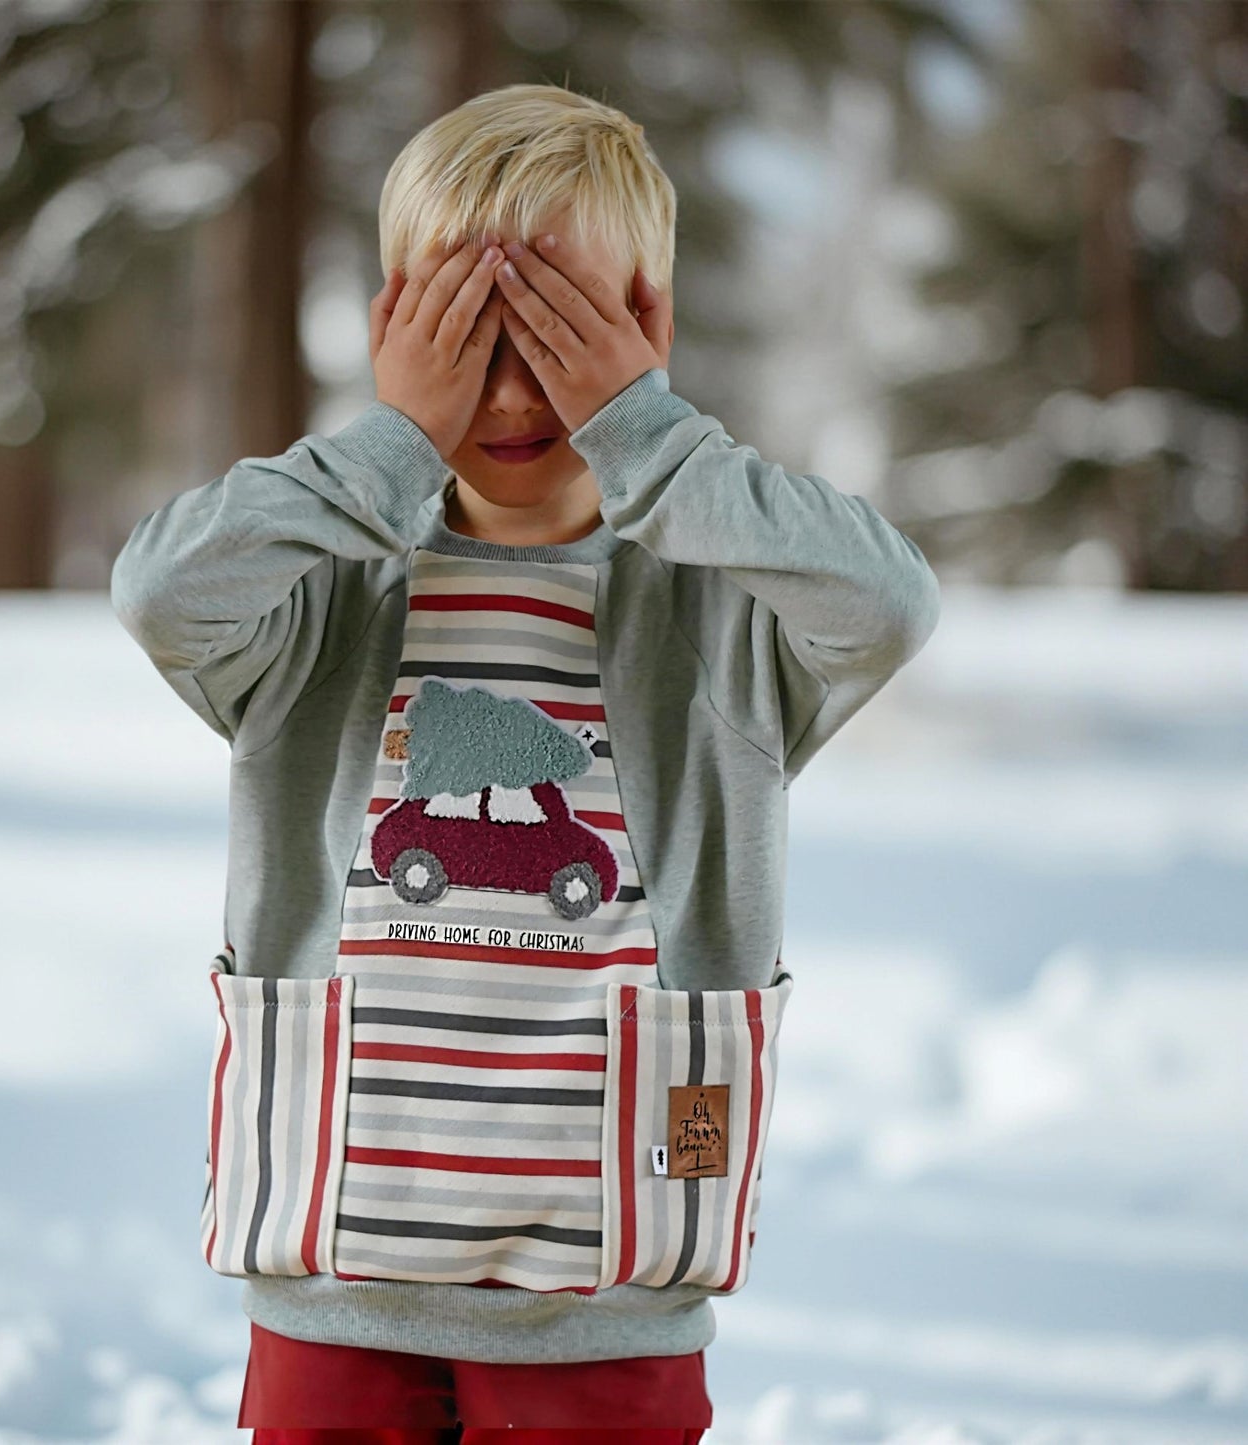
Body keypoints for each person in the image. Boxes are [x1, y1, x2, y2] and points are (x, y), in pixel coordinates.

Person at [110, 82, 941, 1444]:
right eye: (467, 336)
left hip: (608, 1285)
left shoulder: (716, 605)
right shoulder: (325, 588)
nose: (509, 390)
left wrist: (645, 432)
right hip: (335, 1278)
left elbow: (889, 603)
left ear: (646, 324)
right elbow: (160, 592)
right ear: (395, 329)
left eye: (557, 334)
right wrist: (389, 442)